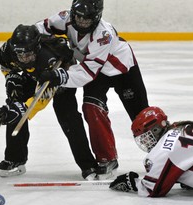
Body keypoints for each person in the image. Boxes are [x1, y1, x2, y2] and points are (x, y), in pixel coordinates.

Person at [35, 0, 149, 176]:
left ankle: (161, 154)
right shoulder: (64, 18)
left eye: (86, 20)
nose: (81, 22)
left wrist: (59, 76)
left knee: (142, 116)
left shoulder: (104, 34)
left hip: (122, 69)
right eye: (78, 18)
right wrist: (45, 40)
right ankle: (107, 158)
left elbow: (87, 73)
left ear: (96, 18)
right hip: (97, 71)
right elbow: (40, 28)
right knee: (91, 107)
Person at [0, 24, 98, 180]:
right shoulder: (6, 51)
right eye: (20, 55)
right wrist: (12, 79)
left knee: (68, 116)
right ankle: (15, 159)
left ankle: (88, 164)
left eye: (28, 55)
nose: (23, 59)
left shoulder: (48, 58)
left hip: (59, 74)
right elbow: (7, 67)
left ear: (36, 49)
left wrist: (22, 110)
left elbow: (41, 98)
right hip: (35, 73)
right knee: (14, 106)